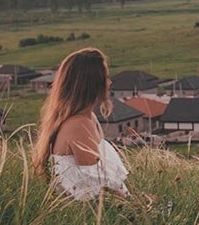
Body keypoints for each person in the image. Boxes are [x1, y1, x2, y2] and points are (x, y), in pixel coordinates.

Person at [31, 48, 129, 199]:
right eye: (106, 77)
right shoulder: (79, 125)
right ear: (94, 84)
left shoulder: (87, 118)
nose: (110, 83)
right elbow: (97, 190)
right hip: (96, 215)